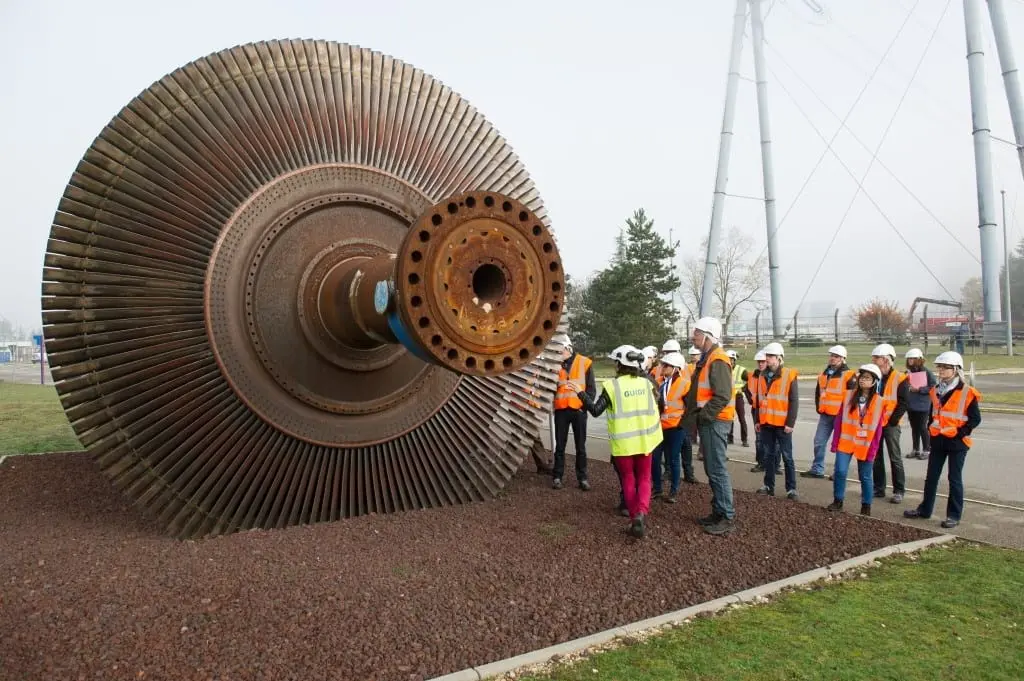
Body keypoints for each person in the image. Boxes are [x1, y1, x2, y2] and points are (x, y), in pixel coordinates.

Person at [575, 345, 663, 538]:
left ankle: (634, 519)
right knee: (645, 478)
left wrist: (580, 393)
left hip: (624, 446)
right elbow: (660, 406)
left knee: (628, 479)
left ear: (620, 364)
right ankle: (641, 513)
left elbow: (596, 409)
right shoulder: (647, 384)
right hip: (645, 442)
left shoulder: (612, 387)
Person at [904, 351, 981, 529]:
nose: (941, 370)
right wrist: (932, 427)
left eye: (946, 367)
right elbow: (934, 413)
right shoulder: (936, 390)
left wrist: (960, 432)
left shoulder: (968, 393)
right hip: (938, 440)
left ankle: (953, 515)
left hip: (957, 443)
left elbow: (975, 419)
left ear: (956, 369)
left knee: (954, 479)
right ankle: (925, 510)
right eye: (940, 367)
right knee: (931, 477)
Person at [682, 317, 737, 536]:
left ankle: (726, 516)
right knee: (712, 468)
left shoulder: (717, 360)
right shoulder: (709, 358)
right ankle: (719, 511)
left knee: (716, 470)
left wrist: (704, 416)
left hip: (715, 421)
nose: (693, 336)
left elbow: (722, 395)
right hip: (710, 421)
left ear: (707, 335)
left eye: (696, 332)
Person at [827, 364, 886, 516]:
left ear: (874, 381)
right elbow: (839, 421)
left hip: (865, 445)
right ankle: (837, 500)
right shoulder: (848, 396)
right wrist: (835, 442)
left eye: (867, 378)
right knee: (840, 471)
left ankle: (866, 505)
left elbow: (878, 429)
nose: (862, 380)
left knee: (865, 476)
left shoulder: (879, 402)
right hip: (846, 442)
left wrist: (874, 450)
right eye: (861, 377)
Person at [753, 342, 799, 500]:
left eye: (771, 356)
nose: (768, 359)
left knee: (787, 457)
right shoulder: (761, 375)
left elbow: (794, 401)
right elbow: (759, 400)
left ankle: (791, 488)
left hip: (782, 425)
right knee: (768, 456)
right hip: (766, 423)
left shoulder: (789, 374)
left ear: (779, 358)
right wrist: (757, 420)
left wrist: (790, 423)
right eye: (767, 356)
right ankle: (768, 486)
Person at [803, 345, 856, 479]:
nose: (833, 358)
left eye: (836, 356)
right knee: (819, 442)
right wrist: (818, 407)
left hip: (841, 416)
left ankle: (839, 472)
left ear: (843, 358)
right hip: (826, 415)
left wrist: (848, 415)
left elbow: (853, 397)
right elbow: (818, 393)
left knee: (840, 445)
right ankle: (817, 469)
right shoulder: (824, 374)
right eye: (831, 355)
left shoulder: (849, 375)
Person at [550, 335, 595, 491]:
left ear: (567, 348)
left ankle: (582, 478)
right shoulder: (555, 365)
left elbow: (591, 389)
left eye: (559, 350)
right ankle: (557, 476)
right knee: (560, 446)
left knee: (580, 447)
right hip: (561, 411)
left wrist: (585, 406)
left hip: (579, 411)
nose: (557, 353)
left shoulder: (584, 363)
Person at [652, 351, 696, 502]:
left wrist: (682, 426)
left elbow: (691, 408)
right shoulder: (657, 382)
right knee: (655, 459)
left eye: (667, 365)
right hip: (658, 427)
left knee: (673, 459)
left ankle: (673, 491)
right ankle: (657, 489)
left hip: (676, 428)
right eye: (663, 364)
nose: (663, 367)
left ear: (676, 368)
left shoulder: (685, 385)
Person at [870, 343, 909, 504]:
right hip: (875, 423)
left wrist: (892, 421)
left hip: (891, 424)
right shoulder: (874, 376)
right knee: (876, 457)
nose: (873, 361)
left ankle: (899, 490)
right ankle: (879, 488)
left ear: (886, 360)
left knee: (894, 457)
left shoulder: (900, 378)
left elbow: (903, 402)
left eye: (876, 358)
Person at [903, 348, 936, 460]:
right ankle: (915, 449)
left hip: (923, 405)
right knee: (914, 428)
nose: (910, 360)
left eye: (913, 358)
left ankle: (927, 450)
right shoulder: (908, 373)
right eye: (909, 358)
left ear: (919, 359)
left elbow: (933, 387)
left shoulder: (927, 372)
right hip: (911, 405)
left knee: (922, 427)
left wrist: (919, 389)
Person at [746, 349, 769, 473]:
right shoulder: (753, 376)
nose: (761, 364)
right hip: (757, 410)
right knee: (759, 438)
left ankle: (774, 465)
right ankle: (761, 463)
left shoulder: (770, 376)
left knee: (772, 440)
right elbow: (747, 389)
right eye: (759, 362)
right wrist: (751, 399)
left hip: (770, 410)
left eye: (763, 362)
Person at [726, 350, 750, 448]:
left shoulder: (741, 370)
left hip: (738, 397)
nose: (730, 361)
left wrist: (742, 389)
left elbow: (750, 382)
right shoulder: (724, 369)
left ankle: (744, 440)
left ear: (734, 360)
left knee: (741, 418)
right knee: (729, 418)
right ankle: (729, 438)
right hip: (728, 397)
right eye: (728, 359)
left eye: (731, 359)